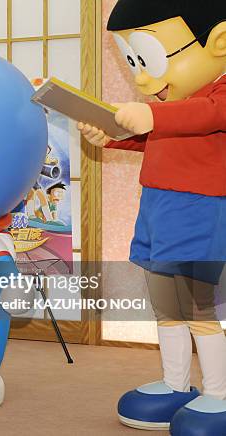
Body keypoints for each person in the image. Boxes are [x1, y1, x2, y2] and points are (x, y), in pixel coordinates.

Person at [78, 1, 225, 434]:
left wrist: (150, 114)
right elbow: (158, 140)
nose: (142, 77)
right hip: (157, 207)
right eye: (134, 61)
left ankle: (218, 394)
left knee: (197, 306)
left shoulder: (216, 94)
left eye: (152, 60)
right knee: (165, 305)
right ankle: (177, 385)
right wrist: (112, 135)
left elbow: (208, 115)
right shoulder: (174, 106)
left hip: (200, 209)